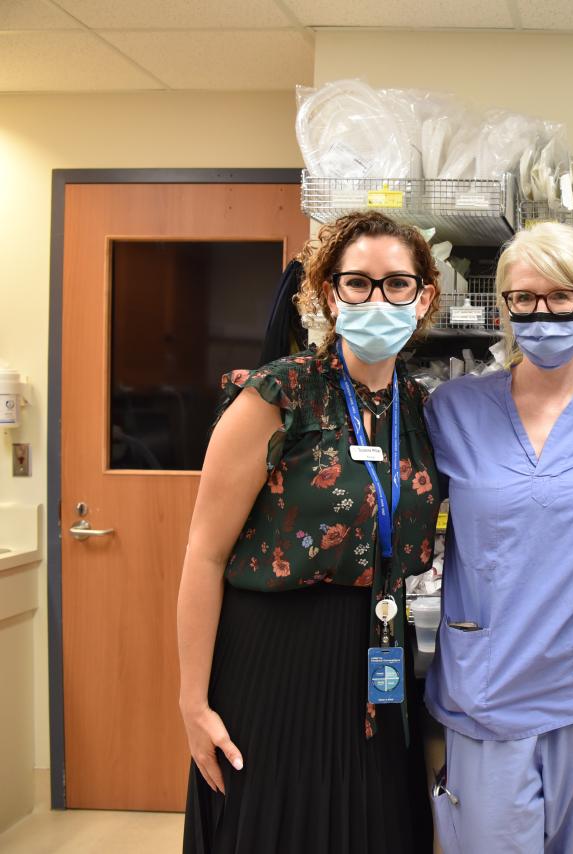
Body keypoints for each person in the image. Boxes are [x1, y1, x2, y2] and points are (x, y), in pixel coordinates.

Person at [178, 210, 442, 854]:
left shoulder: (422, 408)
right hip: (273, 661)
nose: (377, 299)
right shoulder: (278, 396)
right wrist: (191, 701)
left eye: (397, 284)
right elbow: (204, 556)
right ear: (330, 293)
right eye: (358, 283)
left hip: (379, 660)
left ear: (424, 296)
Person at [423, 222, 573, 854]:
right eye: (524, 298)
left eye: (561, 297)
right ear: (504, 308)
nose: (542, 312)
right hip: (488, 685)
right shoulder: (454, 409)